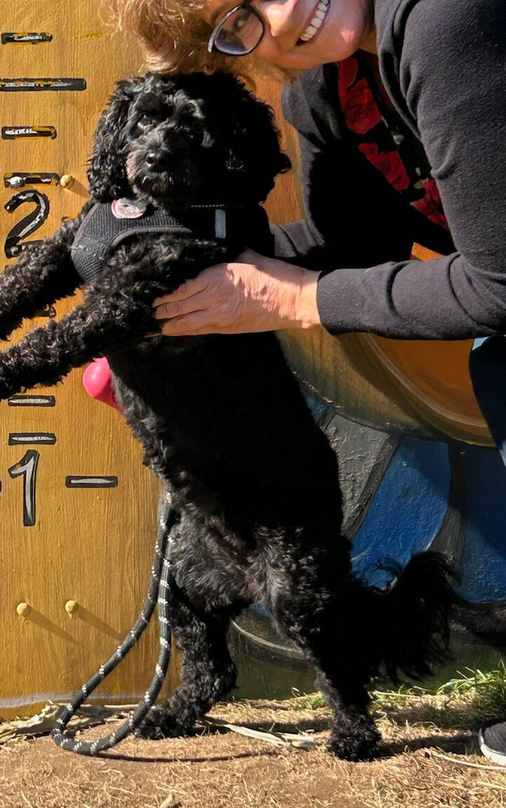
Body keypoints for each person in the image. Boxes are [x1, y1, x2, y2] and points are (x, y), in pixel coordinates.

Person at [88, 0, 506, 765]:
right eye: (238, 21)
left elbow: (499, 281)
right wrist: (176, 281)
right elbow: (344, 244)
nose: (282, 16)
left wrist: (294, 299)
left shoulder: (446, 20)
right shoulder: (332, 90)